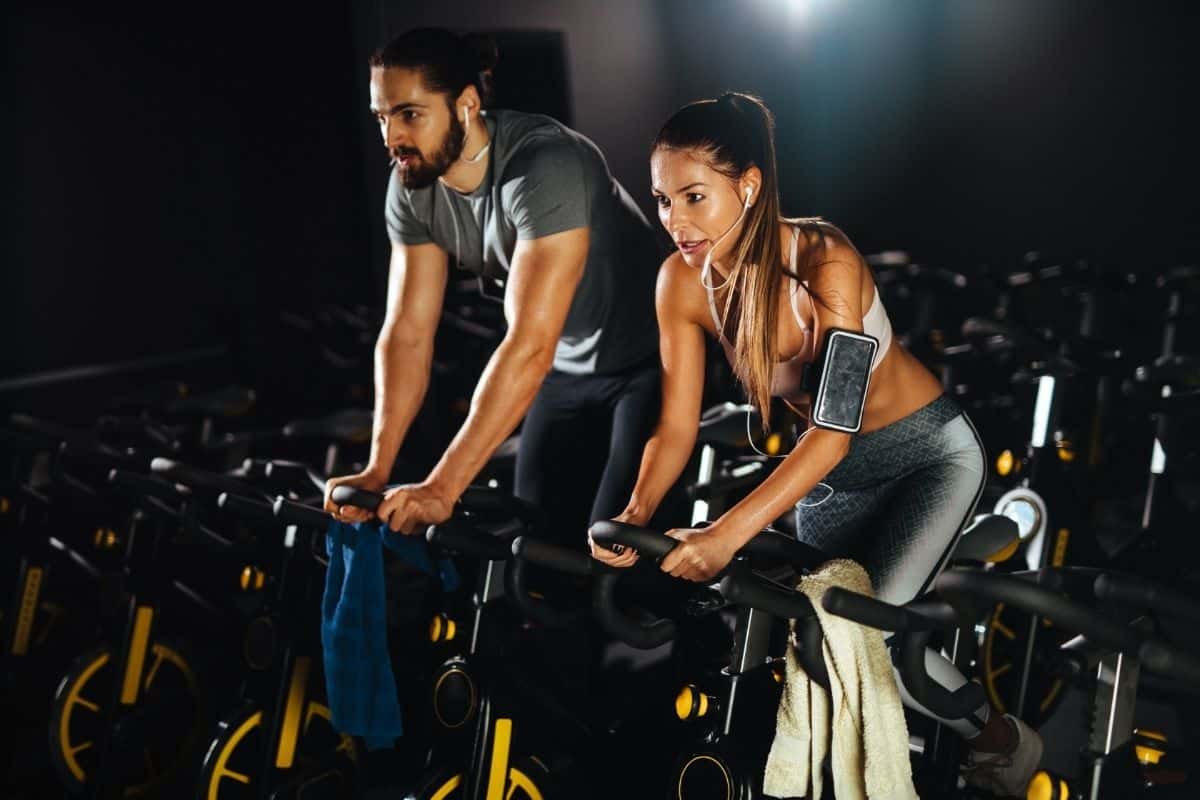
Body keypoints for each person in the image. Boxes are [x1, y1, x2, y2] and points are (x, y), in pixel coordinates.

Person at [590, 92, 1043, 796]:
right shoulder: (679, 283)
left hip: (926, 458)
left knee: (874, 646)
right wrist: (638, 510)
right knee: (805, 645)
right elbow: (677, 425)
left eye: (693, 197)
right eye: (661, 201)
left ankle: (1003, 739)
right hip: (833, 482)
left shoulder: (826, 261)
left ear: (748, 186)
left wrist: (725, 533)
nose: (674, 220)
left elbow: (831, 432)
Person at [325, 28, 663, 546]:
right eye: (382, 116)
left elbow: (529, 343)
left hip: (651, 361)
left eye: (409, 114)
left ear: (465, 105)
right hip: (566, 371)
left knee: (618, 552)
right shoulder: (412, 185)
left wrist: (443, 486)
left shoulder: (543, 165)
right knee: (540, 551)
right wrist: (377, 468)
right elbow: (408, 333)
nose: (392, 137)